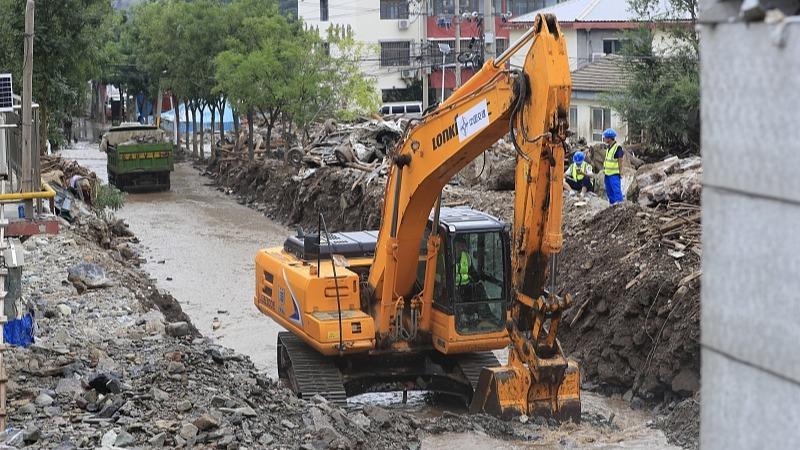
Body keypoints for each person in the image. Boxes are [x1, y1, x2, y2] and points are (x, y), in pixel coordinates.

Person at [602, 128, 624, 205]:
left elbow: (620, 160)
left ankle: (620, 206)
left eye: (605, 137)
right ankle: (612, 206)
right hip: (607, 174)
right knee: (609, 191)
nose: (604, 138)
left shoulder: (617, 147)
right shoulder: (609, 147)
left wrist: (620, 172)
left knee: (616, 191)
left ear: (609, 138)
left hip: (614, 174)